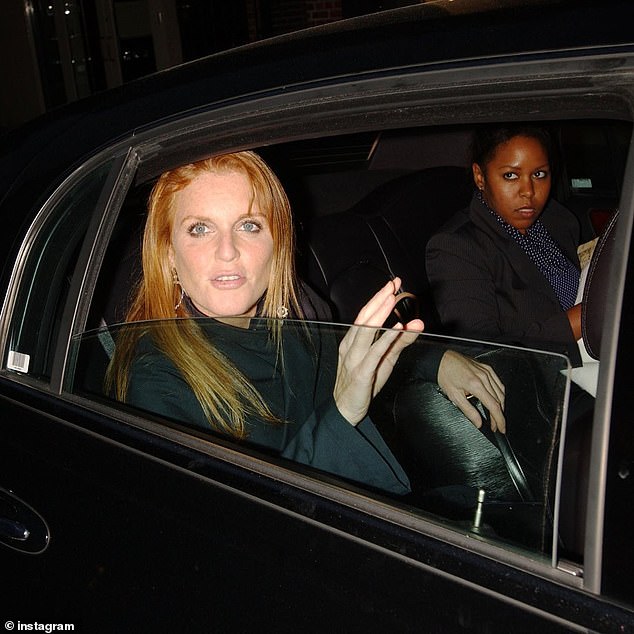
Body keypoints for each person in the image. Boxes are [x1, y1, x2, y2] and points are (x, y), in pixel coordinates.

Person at [107, 151, 505, 496]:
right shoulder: (155, 381)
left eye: (249, 225)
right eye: (200, 229)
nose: (227, 251)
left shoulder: (294, 308)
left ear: (276, 242)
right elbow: (245, 530)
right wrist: (342, 411)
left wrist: (434, 361)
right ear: (169, 255)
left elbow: (348, 358)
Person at [426, 125, 583, 366]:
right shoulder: (456, 248)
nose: (528, 192)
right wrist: (583, 319)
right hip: (550, 377)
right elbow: (484, 354)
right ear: (480, 177)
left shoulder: (554, 218)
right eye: (511, 175)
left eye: (539, 174)